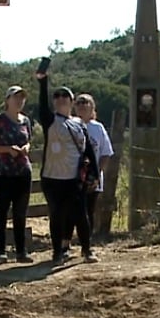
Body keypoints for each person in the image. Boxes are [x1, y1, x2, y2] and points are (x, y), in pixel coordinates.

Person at [36, 70, 100, 264]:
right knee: (56, 216)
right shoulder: (50, 121)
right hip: (53, 178)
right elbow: (41, 106)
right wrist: (43, 82)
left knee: (81, 215)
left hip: (74, 178)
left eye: (65, 96)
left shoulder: (79, 124)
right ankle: (57, 253)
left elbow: (88, 150)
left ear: (72, 102)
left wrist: (95, 174)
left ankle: (87, 251)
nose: (61, 98)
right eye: (57, 96)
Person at [0, 85, 34, 263]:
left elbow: (28, 140)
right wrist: (7, 149)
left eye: (22, 98)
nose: (19, 101)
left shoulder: (26, 121)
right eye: (15, 98)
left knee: (20, 212)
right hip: (2, 173)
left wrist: (26, 148)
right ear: (7, 100)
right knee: (2, 212)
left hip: (22, 172)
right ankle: (1, 251)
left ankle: (21, 251)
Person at [67, 93, 114, 237]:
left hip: (91, 177)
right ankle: (66, 243)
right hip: (70, 176)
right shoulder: (68, 125)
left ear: (92, 107)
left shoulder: (98, 128)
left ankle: (86, 243)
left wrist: (97, 174)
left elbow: (106, 153)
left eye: (85, 102)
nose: (81, 105)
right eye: (78, 102)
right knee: (69, 211)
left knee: (88, 211)